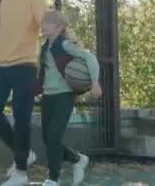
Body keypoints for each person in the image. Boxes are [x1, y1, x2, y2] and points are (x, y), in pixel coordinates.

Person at [0, 0, 47, 186]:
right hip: (1, 63)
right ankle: (24, 153)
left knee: (22, 117)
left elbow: (46, 24)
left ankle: (21, 173)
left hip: (25, 64)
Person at [37, 10, 102, 186]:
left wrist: (95, 83)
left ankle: (53, 178)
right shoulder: (44, 48)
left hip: (64, 96)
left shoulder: (65, 45)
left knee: (54, 137)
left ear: (59, 27)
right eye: (43, 22)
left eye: (48, 23)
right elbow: (44, 74)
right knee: (47, 139)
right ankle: (77, 159)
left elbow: (90, 58)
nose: (43, 25)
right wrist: (35, 92)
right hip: (48, 97)